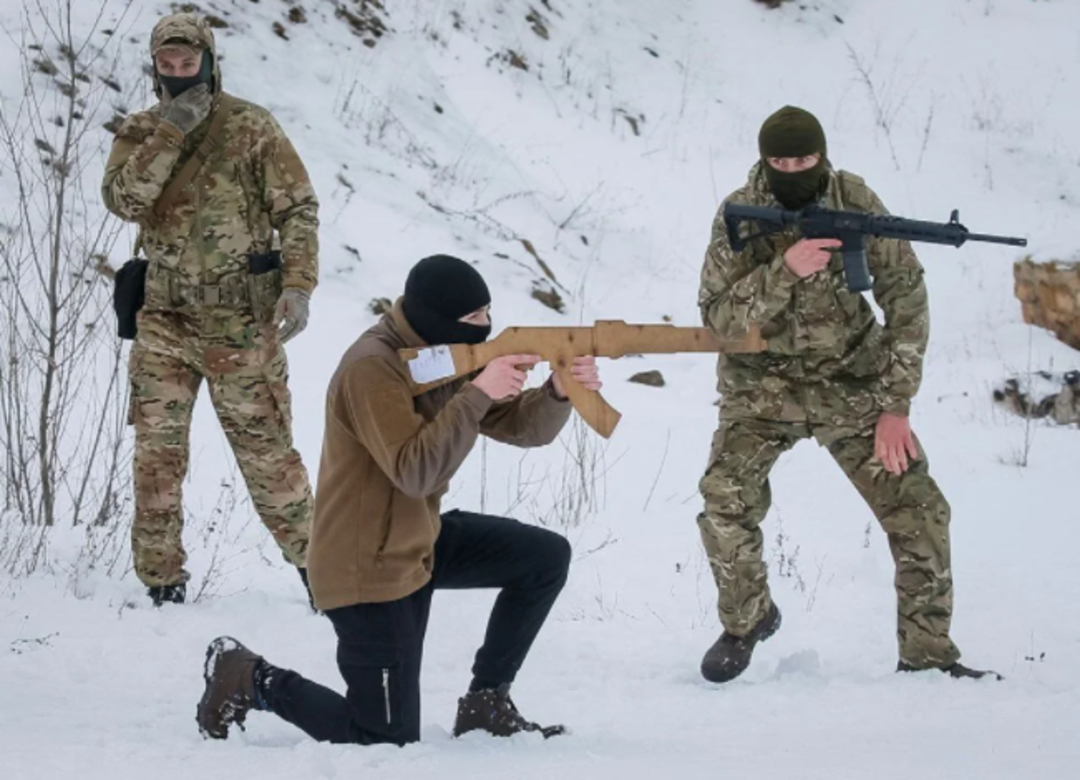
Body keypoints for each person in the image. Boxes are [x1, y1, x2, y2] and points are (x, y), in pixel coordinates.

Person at [195, 255, 602, 743]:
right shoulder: (373, 369)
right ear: (437, 319)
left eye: (488, 313)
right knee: (383, 736)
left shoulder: (444, 352)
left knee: (544, 557)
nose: (487, 327)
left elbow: (520, 427)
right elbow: (414, 472)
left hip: (415, 542)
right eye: (474, 319)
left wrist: (557, 393)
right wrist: (476, 395)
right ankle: (247, 676)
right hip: (366, 567)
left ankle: (485, 702)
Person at [695, 105, 997, 683]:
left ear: (823, 156)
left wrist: (895, 406)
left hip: (853, 384)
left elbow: (906, 300)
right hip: (761, 389)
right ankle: (747, 621)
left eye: (803, 159)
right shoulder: (738, 213)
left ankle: (928, 657)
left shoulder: (855, 200)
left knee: (920, 511)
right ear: (764, 161)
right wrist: (785, 269)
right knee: (723, 501)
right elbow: (717, 321)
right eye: (780, 161)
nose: (792, 169)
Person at [101, 13, 319, 607]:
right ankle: (161, 584)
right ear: (155, 68)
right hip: (164, 322)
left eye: (187, 64)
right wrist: (170, 132)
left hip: (240, 326)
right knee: (156, 460)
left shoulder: (250, 127)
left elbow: (297, 210)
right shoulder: (143, 129)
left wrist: (297, 286)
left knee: (269, 457)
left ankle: (322, 575)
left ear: (209, 61)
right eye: (166, 66)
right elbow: (123, 201)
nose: (177, 74)